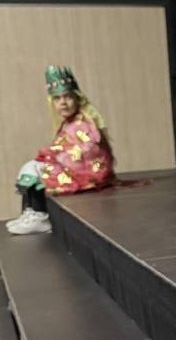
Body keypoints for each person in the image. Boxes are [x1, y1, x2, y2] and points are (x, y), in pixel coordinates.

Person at [6, 66, 115, 236]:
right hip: (71, 165)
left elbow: (91, 149)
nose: (63, 102)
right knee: (31, 166)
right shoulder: (68, 123)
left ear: (77, 98)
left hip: (84, 172)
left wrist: (62, 158)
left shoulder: (83, 124)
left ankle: (39, 215)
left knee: (36, 170)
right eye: (57, 98)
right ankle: (30, 211)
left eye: (68, 97)